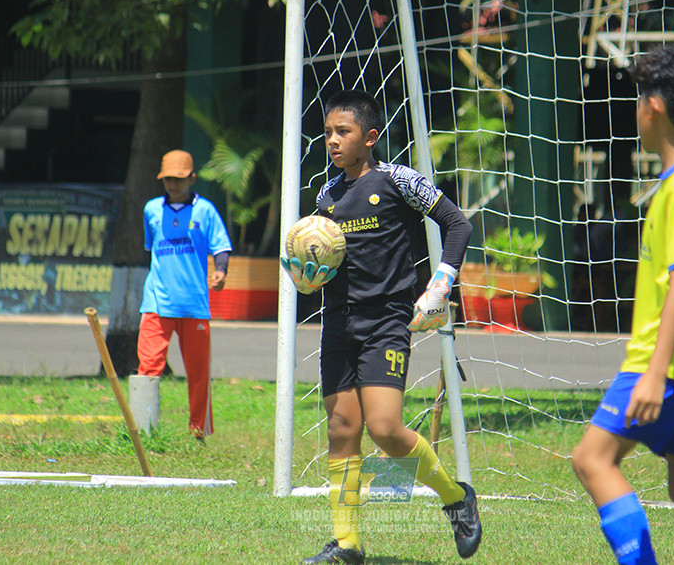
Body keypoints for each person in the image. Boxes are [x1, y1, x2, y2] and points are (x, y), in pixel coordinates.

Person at [281, 89, 482, 564]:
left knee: (386, 429)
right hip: (338, 324)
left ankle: (457, 498)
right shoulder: (327, 195)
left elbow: (458, 225)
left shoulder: (398, 180)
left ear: (370, 137)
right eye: (327, 132)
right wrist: (307, 276)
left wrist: (441, 284)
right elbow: (324, 261)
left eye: (343, 132)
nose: (332, 141)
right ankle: (347, 543)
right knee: (342, 428)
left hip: (387, 322)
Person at [571, 44, 674, 565]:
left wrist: (653, 373)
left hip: (670, 363)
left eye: (639, 98)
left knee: (592, 459)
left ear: (654, 107)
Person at [136, 149, 232, 439]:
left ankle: (198, 432)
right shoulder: (152, 209)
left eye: (178, 179)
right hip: (156, 302)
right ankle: (142, 431)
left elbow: (220, 246)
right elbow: (151, 248)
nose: (173, 185)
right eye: (168, 179)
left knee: (198, 373)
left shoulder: (206, 210)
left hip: (194, 304)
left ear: (191, 178)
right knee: (148, 367)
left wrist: (221, 271)